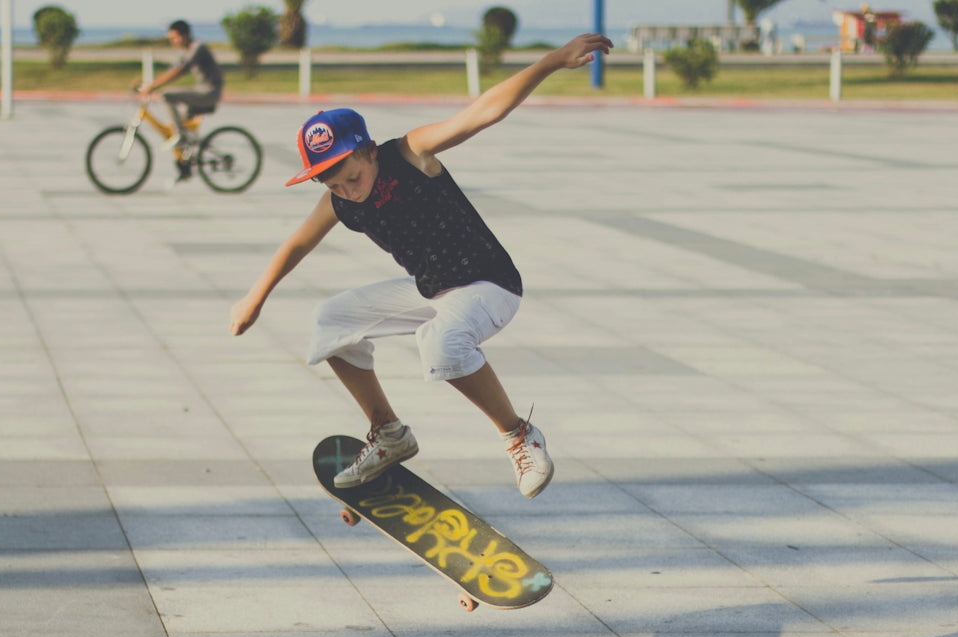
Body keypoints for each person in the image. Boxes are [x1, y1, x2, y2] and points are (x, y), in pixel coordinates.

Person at [229, 33, 613, 499]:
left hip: (489, 284)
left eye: (353, 176)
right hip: (432, 290)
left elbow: (483, 112)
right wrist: (255, 296)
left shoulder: (409, 153)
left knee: (440, 344)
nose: (349, 191)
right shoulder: (339, 200)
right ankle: (388, 433)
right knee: (330, 321)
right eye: (333, 185)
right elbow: (296, 244)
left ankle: (517, 434)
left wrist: (552, 61)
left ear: (369, 150)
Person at [136, 20, 224, 180]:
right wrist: (149, 85)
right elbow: (173, 69)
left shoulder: (198, 48)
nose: (172, 41)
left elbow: (180, 71)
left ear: (185, 35)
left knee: (167, 96)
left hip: (209, 92)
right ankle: (185, 165)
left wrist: (153, 87)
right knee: (178, 123)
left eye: (174, 37)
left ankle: (181, 137)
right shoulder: (186, 51)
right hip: (201, 90)